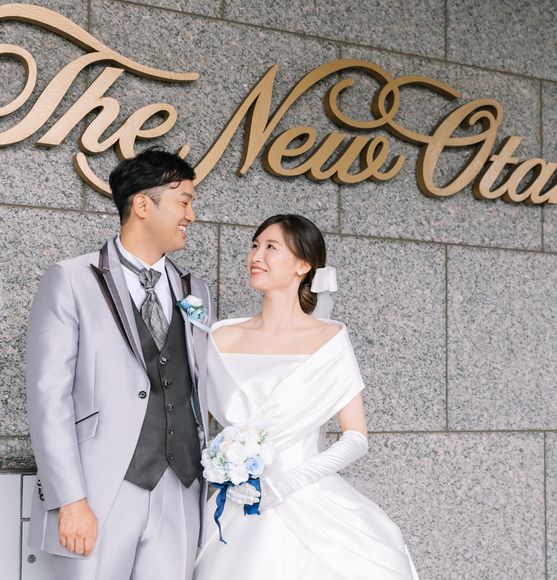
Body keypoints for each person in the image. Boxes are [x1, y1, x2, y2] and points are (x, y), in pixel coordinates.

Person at [194, 214, 419, 579]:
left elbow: (356, 437)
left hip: (304, 498)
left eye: (271, 247)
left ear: (303, 265)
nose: (256, 256)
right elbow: (198, 423)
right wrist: (222, 469)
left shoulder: (329, 339)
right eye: (254, 245)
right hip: (236, 502)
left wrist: (285, 484)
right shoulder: (221, 337)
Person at [26, 148, 214, 580]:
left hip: (182, 486)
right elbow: (48, 397)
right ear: (143, 205)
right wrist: (69, 500)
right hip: (100, 489)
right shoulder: (71, 279)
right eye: (184, 201)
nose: (192, 215)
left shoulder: (195, 290)